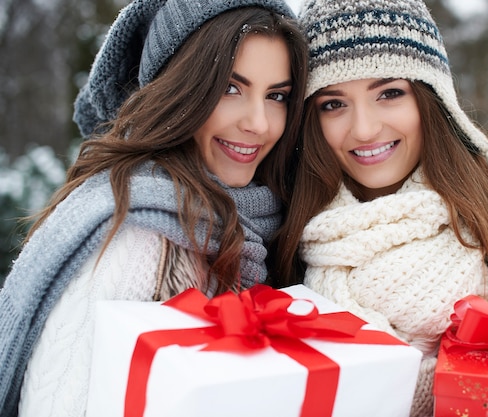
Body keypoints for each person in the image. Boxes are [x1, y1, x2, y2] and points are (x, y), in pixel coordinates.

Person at [268, 0, 488, 416]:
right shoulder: (292, 233)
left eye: (390, 93)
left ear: (434, 100)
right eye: (333, 103)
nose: (363, 128)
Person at [0, 0, 307, 415]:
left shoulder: (268, 216)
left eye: (277, 96)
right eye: (230, 88)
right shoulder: (139, 235)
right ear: (179, 88)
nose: (260, 123)